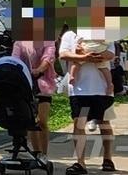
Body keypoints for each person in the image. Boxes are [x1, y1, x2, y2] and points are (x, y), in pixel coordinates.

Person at [61, 25, 118, 174]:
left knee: (104, 123)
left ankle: (108, 158)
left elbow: (111, 54)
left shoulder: (104, 33)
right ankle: (80, 162)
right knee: (79, 123)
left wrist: (93, 54)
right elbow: (63, 54)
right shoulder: (70, 35)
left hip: (103, 89)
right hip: (79, 89)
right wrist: (83, 57)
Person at [13, 33, 58, 157]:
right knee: (31, 121)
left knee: (42, 121)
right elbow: (15, 58)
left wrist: (39, 70)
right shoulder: (20, 41)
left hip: (43, 85)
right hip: (26, 84)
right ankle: (36, 153)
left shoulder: (48, 41)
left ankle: (44, 154)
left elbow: (48, 58)